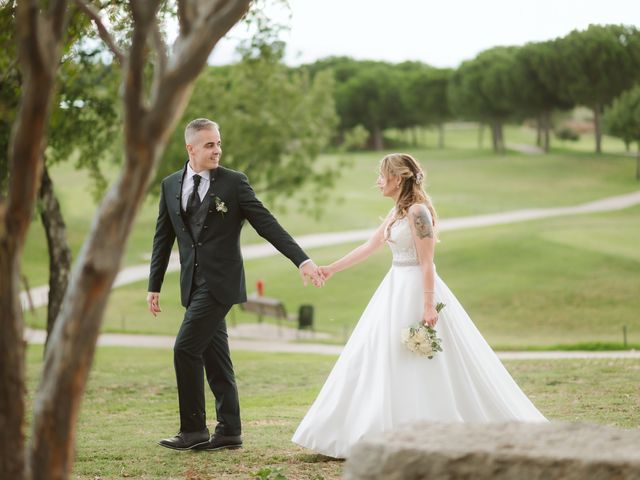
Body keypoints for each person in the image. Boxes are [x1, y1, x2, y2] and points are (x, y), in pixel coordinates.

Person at [292, 153, 547, 459]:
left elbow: (428, 263)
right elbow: (370, 246)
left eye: (382, 175)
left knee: (423, 360)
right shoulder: (397, 213)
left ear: (397, 178)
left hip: (416, 289)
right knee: (381, 355)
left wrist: (428, 306)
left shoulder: (417, 212)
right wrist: (331, 268)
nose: (378, 181)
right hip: (393, 288)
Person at [147, 118, 323, 451]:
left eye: (219, 143)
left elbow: (267, 224)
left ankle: (194, 429)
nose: (217, 150)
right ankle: (229, 430)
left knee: (185, 349)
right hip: (191, 284)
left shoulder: (233, 183)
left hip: (221, 284)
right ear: (191, 148)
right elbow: (163, 238)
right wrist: (153, 285)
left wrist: (303, 259)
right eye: (210, 145)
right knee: (216, 358)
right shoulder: (170, 185)